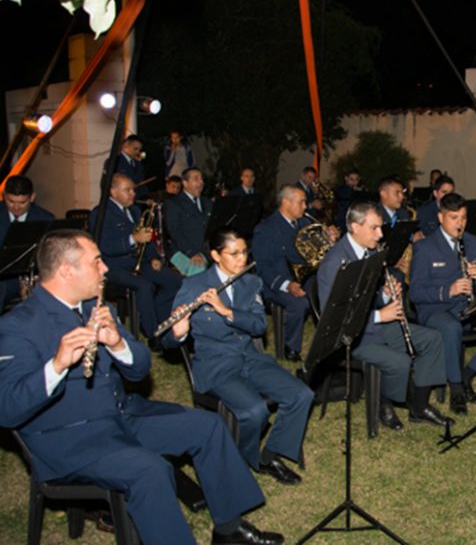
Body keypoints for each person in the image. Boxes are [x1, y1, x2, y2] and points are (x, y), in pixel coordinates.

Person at [0, 228, 283, 544]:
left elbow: (140, 370)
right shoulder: (17, 326)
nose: (106, 269)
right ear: (66, 271)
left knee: (208, 426)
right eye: (96, 262)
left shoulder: (95, 306)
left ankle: (229, 528)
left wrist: (119, 343)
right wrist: (56, 366)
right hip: (70, 438)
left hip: (120, 416)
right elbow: (7, 409)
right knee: (151, 470)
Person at [166, 227, 314, 485]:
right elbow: (167, 340)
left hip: (250, 358)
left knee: (302, 394)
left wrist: (227, 312)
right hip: (217, 365)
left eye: (244, 252)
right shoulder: (194, 285)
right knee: (255, 411)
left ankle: (269, 456)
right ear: (215, 255)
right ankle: (244, 459)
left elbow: (258, 326)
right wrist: (178, 332)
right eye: (233, 253)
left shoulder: (251, 282)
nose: (241, 259)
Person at [317, 201, 451, 430]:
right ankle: (383, 401)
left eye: (380, 227)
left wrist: (386, 295)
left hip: (373, 326)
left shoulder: (370, 253)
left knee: (433, 339)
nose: (380, 234)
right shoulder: (335, 263)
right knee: (400, 362)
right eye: (374, 228)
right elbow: (337, 318)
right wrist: (380, 315)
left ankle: (419, 406)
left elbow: (371, 297)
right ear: (354, 226)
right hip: (350, 336)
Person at [410, 193, 476, 414]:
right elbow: (416, 292)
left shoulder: (474, 243)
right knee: (451, 328)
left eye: (464, 218)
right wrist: (447, 290)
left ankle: (468, 375)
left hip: (468, 307)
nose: (460, 223)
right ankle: (456, 388)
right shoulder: (425, 247)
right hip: (435, 309)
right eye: (454, 217)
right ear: (440, 217)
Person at [88, 174, 182, 347]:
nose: (133, 194)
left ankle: (162, 322)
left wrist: (153, 257)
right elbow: (103, 246)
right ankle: (154, 335)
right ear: (113, 192)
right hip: (114, 266)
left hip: (139, 262)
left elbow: (147, 238)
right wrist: (132, 239)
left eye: (133, 190)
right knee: (144, 286)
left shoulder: (135, 211)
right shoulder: (100, 212)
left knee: (175, 281)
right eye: (127, 190)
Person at [252, 185, 317, 362]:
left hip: (303, 277)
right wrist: (286, 284)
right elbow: (263, 266)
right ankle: (291, 347)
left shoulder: (305, 223)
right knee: (299, 303)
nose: (306, 206)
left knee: (328, 290)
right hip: (275, 282)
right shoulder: (266, 228)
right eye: (301, 202)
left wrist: (328, 238)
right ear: (286, 202)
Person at [0, 175, 55, 307]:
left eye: (22, 202)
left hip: (34, 277)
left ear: (32, 197)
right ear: (3, 196)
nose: (16, 207)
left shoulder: (45, 218)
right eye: (11, 201)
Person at [165, 167, 212, 276]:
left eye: (201, 179)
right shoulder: (174, 203)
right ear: (185, 183)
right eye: (196, 179)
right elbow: (174, 232)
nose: (201, 182)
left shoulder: (207, 203)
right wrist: (191, 253)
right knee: (197, 269)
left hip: (205, 250)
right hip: (183, 250)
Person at [101, 134, 148, 200]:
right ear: (126, 146)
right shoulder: (114, 162)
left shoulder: (138, 164)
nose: (137, 152)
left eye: (139, 150)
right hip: (120, 200)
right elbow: (106, 184)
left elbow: (141, 183)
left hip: (136, 202)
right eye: (135, 149)